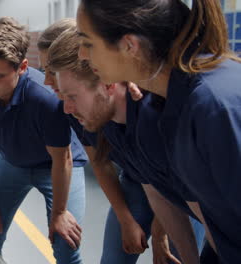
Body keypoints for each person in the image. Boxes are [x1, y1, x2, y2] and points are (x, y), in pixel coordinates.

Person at [76, 0, 241, 262]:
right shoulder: (165, 105)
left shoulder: (213, 106)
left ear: (129, 46)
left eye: (88, 43)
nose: (82, 55)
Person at [47, 28, 206, 264]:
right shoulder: (107, 119)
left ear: (107, 81)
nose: (66, 106)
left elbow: (201, 204)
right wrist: (127, 219)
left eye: (70, 95)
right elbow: (152, 187)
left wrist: (163, 234)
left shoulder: (154, 119)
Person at [0, 17, 87, 263]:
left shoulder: (46, 99)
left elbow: (62, 158)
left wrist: (59, 213)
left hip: (55, 166)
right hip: (10, 162)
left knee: (65, 243)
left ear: (23, 67)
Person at [37, 18, 159, 264]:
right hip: (138, 180)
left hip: (177, 191)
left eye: (52, 72)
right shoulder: (75, 109)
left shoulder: (144, 106)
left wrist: (161, 234)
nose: (48, 82)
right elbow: (101, 163)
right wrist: (126, 219)